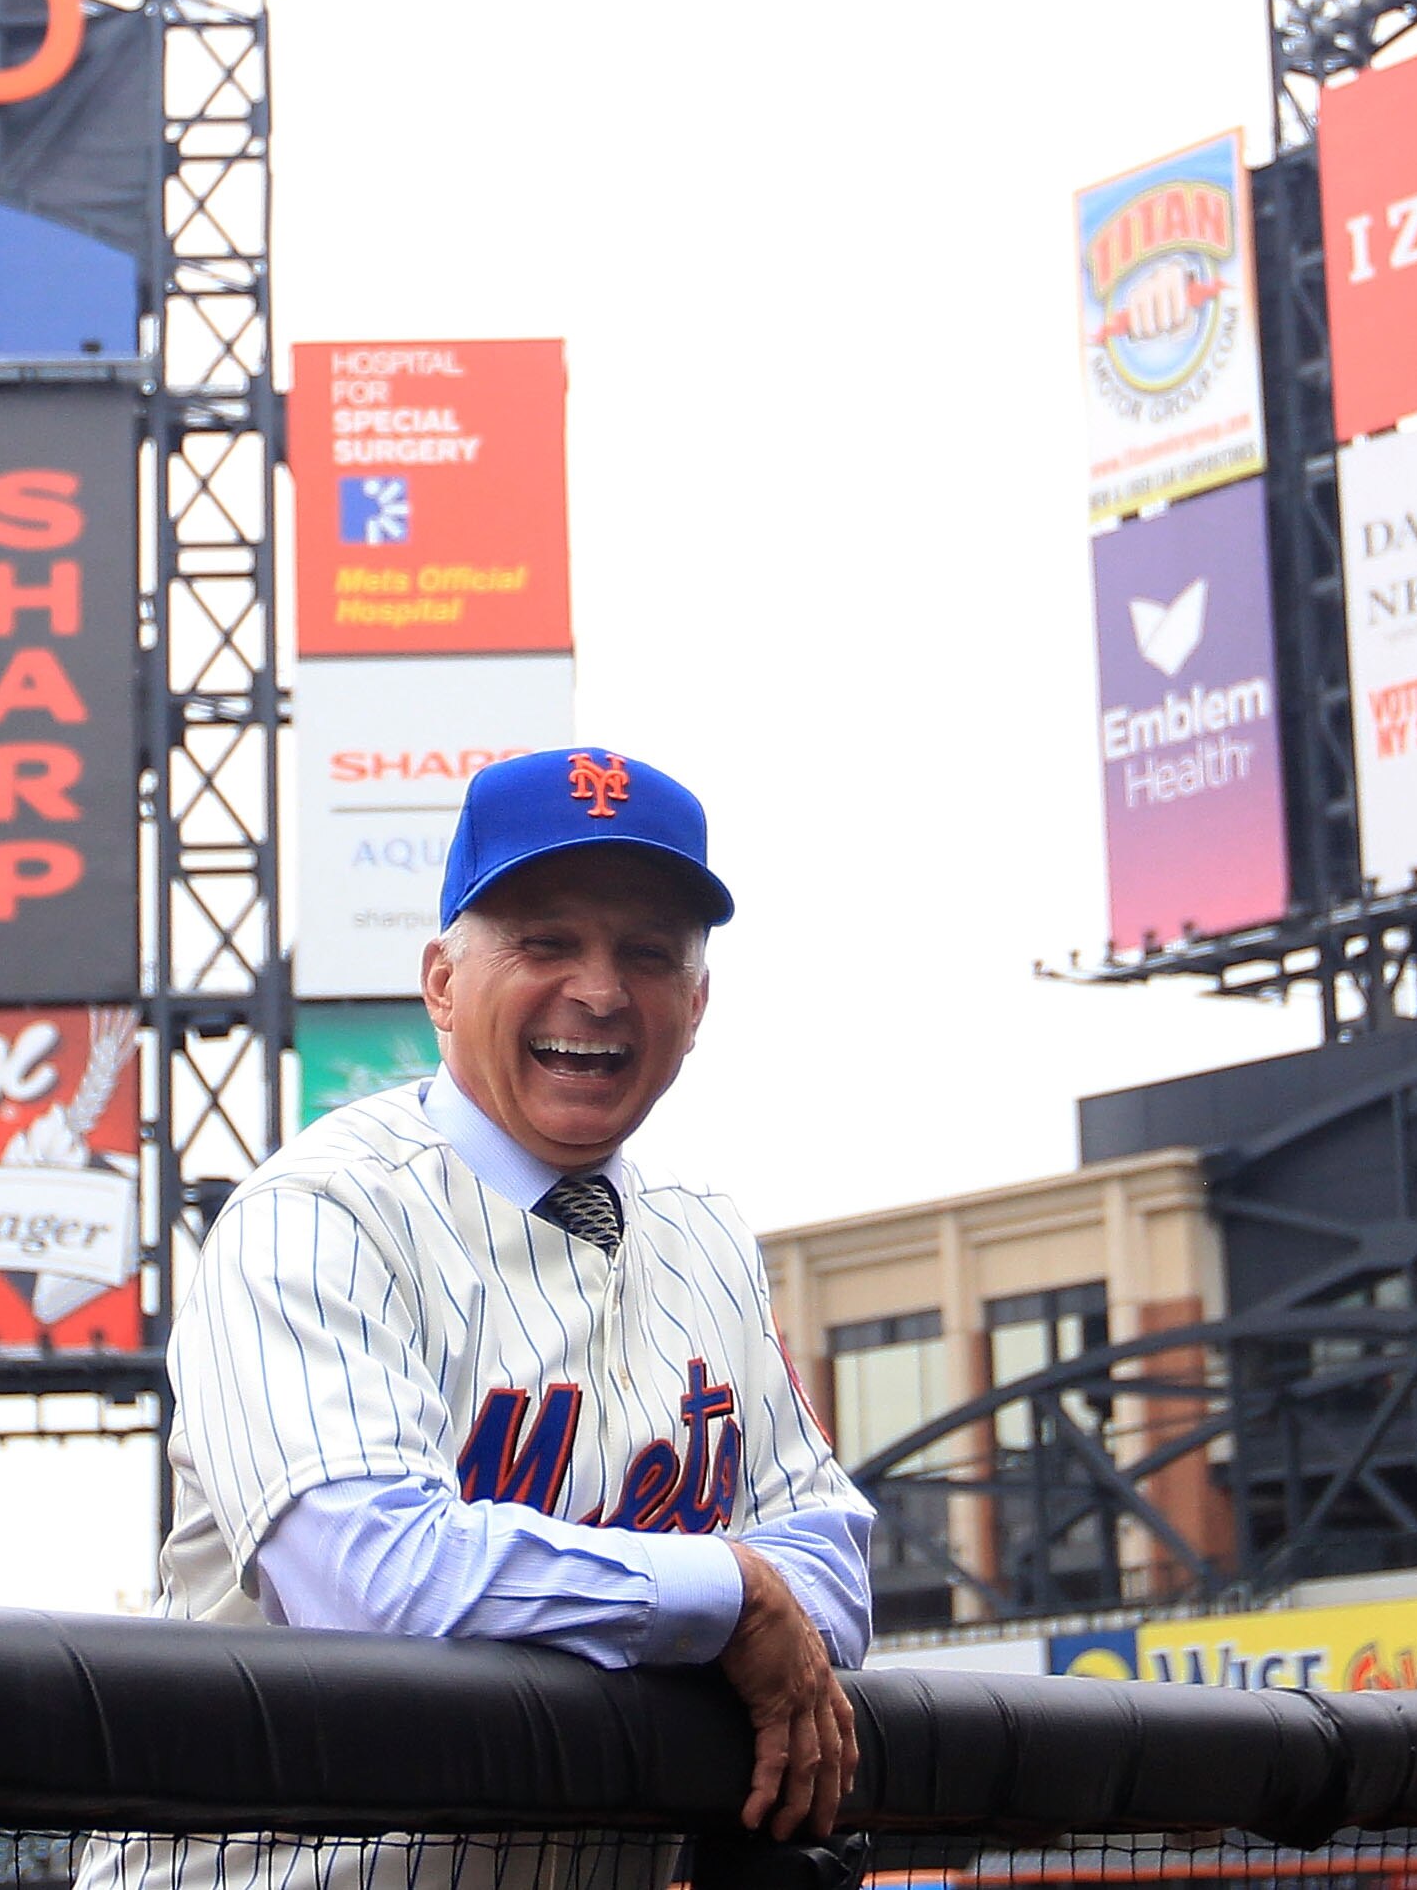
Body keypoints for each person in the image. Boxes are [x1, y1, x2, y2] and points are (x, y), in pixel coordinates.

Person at [112, 747, 871, 1883]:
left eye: (648, 954)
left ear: (696, 1003)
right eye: (546, 941)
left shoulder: (706, 1237)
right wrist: (721, 1595)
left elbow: (831, 1570)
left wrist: (727, 1603)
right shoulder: (317, 1214)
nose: (601, 991)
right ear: (441, 982)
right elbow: (370, 1583)